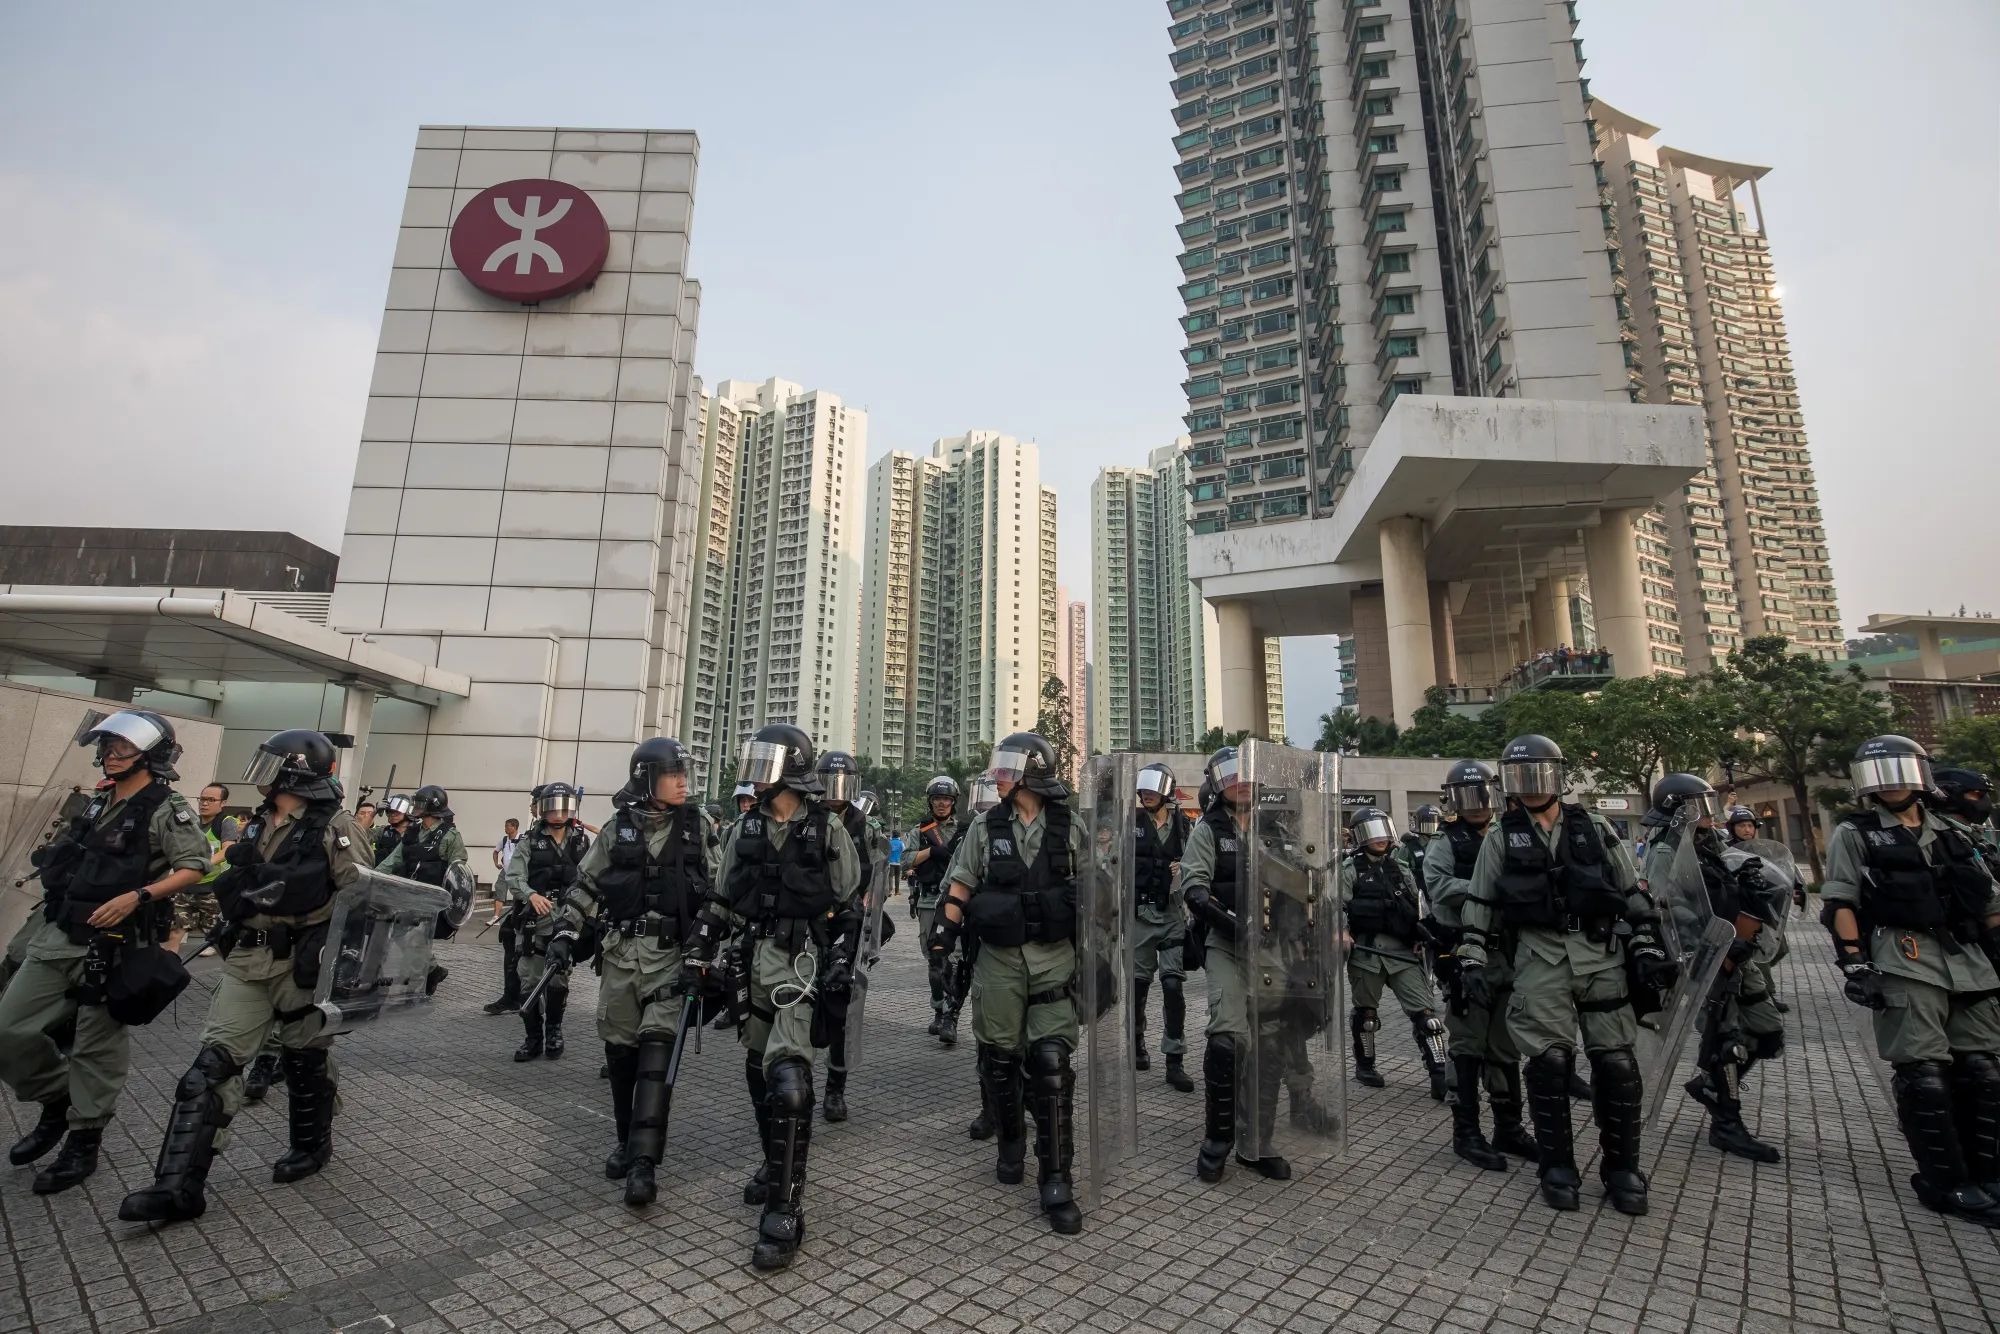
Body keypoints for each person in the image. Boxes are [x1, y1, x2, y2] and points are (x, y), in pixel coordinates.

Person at [117, 729, 372, 1222]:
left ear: (297, 770)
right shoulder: (254, 824)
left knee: (305, 1058)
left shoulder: (335, 826)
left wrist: (331, 953)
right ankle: (177, 1188)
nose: (263, 775)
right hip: (249, 960)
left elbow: (361, 896)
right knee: (210, 1066)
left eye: (274, 765)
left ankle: (313, 1146)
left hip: (304, 964)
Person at [1455, 733, 1666, 1215]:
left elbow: (1631, 890)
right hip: (1539, 956)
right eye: (1519, 775)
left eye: (1539, 774)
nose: (1530, 785)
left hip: (1600, 955)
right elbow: (1481, 904)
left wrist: (1648, 940)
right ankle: (1557, 1166)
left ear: (1557, 777)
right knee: (1549, 1064)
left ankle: (1622, 1168)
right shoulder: (1502, 835)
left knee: (1616, 1063)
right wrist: (1470, 957)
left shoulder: (1593, 826)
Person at [0, 712, 208, 1195]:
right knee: (8, 1029)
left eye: (122, 748)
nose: (111, 754)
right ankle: (56, 1098)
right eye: (108, 746)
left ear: (152, 756)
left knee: (96, 1044)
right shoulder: (98, 802)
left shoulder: (167, 808)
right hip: (60, 932)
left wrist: (138, 897)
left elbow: (193, 866)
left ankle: (84, 1137)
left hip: (115, 944)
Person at [681, 724, 859, 1270]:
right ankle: (774, 1160)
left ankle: (785, 1210)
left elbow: (850, 903)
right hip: (751, 962)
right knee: (759, 1067)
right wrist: (700, 950)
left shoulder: (828, 830)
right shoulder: (744, 827)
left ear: (792, 770)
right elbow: (724, 896)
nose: (755, 772)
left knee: (788, 1076)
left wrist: (842, 961)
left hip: (800, 962)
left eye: (766, 762)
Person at [1823, 736, 2000, 1226]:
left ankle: (1988, 1173)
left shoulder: (1953, 832)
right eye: (1880, 773)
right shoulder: (1855, 833)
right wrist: (1855, 964)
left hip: (1968, 962)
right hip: (1905, 957)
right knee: (1924, 1077)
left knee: (1983, 1071)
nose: (1892, 782)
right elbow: (1840, 901)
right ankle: (1946, 1182)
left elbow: (1987, 900)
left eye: (1901, 770)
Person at [928, 733, 1090, 1234]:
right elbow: (961, 885)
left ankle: (1056, 1175)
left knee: (1051, 1063)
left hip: (1054, 959)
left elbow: (1097, 894)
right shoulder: (984, 826)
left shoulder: (1070, 827)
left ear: (1032, 773)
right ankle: (1011, 1144)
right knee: (1000, 1059)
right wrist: (942, 938)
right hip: (997, 962)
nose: (998, 775)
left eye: (1008, 768)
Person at [547, 741, 714, 1208]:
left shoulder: (699, 826)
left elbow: (722, 891)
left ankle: (644, 1163)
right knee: (620, 1055)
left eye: (685, 772)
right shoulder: (616, 828)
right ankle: (625, 1140)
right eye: (673, 773)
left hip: (672, 958)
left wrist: (709, 953)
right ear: (645, 778)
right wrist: (564, 933)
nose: (684, 781)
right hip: (620, 958)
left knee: (656, 1060)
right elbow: (585, 885)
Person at [1644, 774, 1783, 1164]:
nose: (1708, 815)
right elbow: (1667, 907)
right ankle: (1727, 1124)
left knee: (1767, 1030)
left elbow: (1722, 887)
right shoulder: (1665, 852)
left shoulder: (1710, 845)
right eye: (1698, 807)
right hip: (1706, 958)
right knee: (1725, 1038)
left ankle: (1708, 1085)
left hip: (1739, 951)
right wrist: (1708, 942)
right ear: (1678, 810)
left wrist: (1753, 884)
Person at [1425, 760, 1536, 1171]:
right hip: (1466, 954)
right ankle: (1466, 1133)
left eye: (1481, 795)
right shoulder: (1447, 841)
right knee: (1468, 1046)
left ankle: (1508, 1127)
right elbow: (1436, 886)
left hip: (1511, 952)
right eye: (1465, 797)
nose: (1475, 805)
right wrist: (1486, 888)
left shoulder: (1513, 831)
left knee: (1506, 1046)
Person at [1340, 807, 1450, 1099]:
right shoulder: (1349, 869)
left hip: (1403, 953)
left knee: (1428, 1018)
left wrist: (1421, 936)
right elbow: (1335, 904)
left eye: (1382, 830)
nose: (1379, 838)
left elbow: (1418, 908)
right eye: (1371, 831)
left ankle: (1440, 1076)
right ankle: (1366, 1066)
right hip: (1367, 953)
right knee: (1366, 1016)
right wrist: (1341, 931)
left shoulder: (1400, 869)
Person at [498, 785, 591, 1062]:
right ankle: (533, 1037)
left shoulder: (581, 842)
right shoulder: (528, 841)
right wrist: (531, 895)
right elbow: (514, 877)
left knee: (558, 977)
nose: (557, 813)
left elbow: (590, 879)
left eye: (563, 807)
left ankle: (554, 1031)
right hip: (535, 919)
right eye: (552, 806)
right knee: (529, 978)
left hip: (567, 917)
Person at [813, 752, 874, 1124]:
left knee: (840, 1007)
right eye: (829, 782)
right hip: (807, 922)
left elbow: (878, 875)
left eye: (843, 782)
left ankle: (835, 1088)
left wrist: (869, 920)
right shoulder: (805, 816)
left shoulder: (865, 825)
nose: (836, 793)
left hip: (847, 923)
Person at [1132, 763, 1195, 1092]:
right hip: (1140, 916)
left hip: (1171, 915)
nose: (1147, 795)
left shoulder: (1185, 826)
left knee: (1173, 987)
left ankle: (1175, 1059)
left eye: (1153, 790)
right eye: (1143, 790)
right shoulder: (1131, 824)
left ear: (1167, 792)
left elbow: (1199, 864)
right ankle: (1137, 1043)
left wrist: (1183, 866)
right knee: (1138, 987)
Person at [906, 776, 965, 1042]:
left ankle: (952, 1016)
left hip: (956, 900)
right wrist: (932, 852)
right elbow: (906, 859)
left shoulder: (965, 829)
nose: (942, 804)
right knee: (933, 960)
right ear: (930, 802)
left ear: (954, 803)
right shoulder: (920, 830)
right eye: (937, 799)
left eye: (947, 800)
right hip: (929, 900)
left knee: (954, 961)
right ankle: (938, 1010)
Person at [1402, 804, 1441, 889]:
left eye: (1434, 822)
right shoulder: (1408, 847)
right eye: (1427, 823)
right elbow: (1400, 869)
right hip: (1418, 895)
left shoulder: (1447, 843)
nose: (1431, 827)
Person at [372, 794, 413, 864]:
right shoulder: (382, 831)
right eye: (389, 812)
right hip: (381, 872)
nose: (393, 815)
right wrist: (374, 812)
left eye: (397, 812)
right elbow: (359, 833)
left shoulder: (417, 832)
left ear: (408, 812)